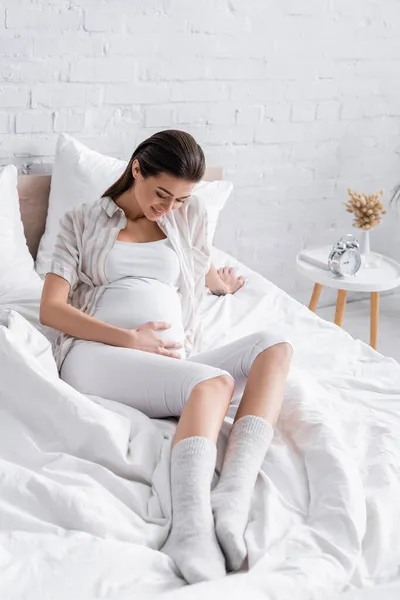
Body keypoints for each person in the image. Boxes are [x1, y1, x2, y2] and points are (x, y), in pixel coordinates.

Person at [40, 130, 293, 585]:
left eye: (180, 199)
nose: (168, 207)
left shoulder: (187, 217)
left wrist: (223, 283)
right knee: (212, 384)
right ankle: (190, 527)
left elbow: (199, 267)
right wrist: (128, 339)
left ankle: (231, 496)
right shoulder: (81, 220)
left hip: (169, 362)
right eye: (162, 194)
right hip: (97, 356)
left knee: (274, 346)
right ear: (136, 167)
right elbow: (51, 309)